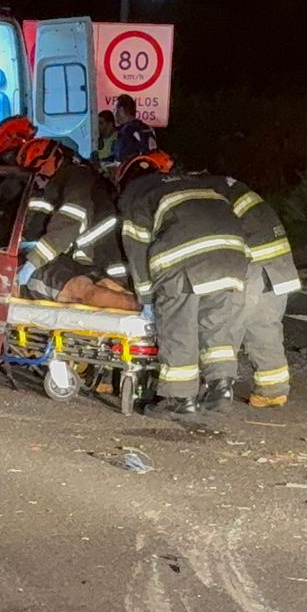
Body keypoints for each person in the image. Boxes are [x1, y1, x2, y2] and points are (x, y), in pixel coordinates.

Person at [118, 154, 250, 418]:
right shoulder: (193, 183)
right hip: (233, 254)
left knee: (178, 327)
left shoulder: (136, 194)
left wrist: (145, 297)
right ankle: (221, 389)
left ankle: (180, 399)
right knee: (216, 325)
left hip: (186, 258)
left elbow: (137, 247)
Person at [216, 180, 300, 407]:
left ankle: (215, 389)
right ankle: (272, 391)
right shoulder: (227, 186)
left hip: (249, 262)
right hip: (278, 260)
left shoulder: (202, 193)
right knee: (264, 326)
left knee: (225, 326)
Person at [9, 137, 125, 302]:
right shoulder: (56, 183)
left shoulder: (77, 178)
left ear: (57, 158)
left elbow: (70, 220)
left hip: (101, 257)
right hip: (90, 261)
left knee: (100, 294)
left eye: (42, 167)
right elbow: (38, 219)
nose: (40, 174)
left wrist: (35, 260)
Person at [112, 94, 159, 164]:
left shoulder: (126, 132)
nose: (113, 113)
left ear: (121, 111)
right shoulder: (148, 128)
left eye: (114, 109)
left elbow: (119, 159)